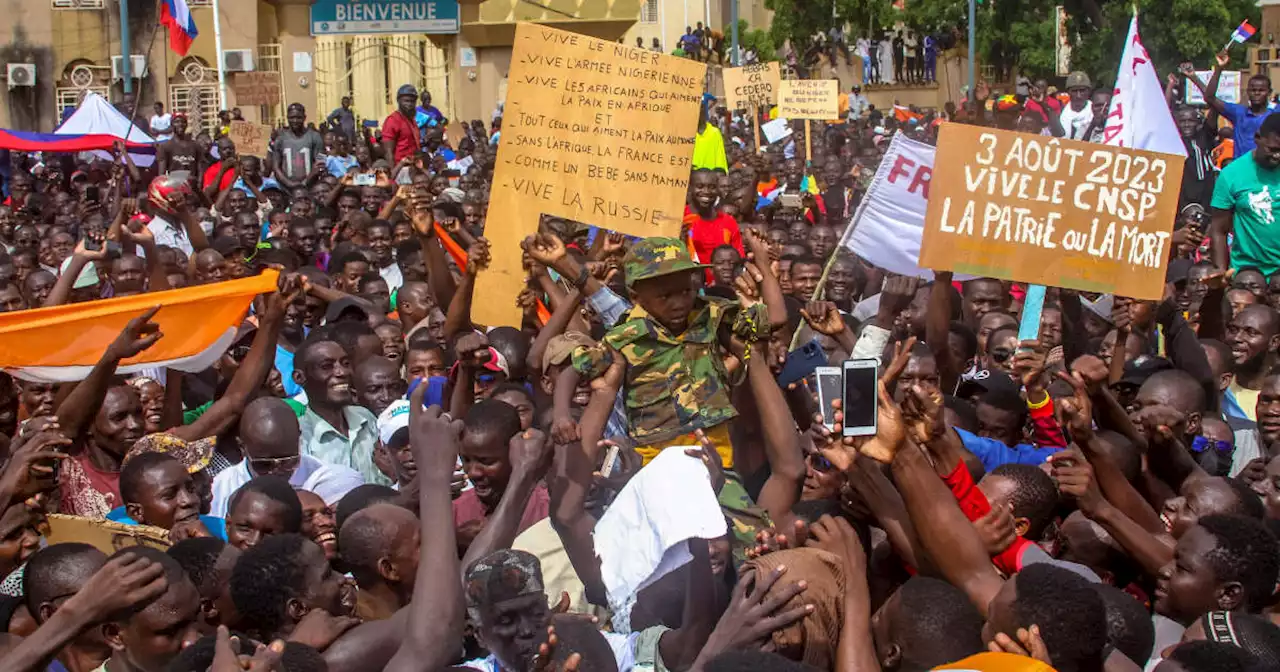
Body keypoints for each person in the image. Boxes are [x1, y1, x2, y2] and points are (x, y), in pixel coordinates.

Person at [210, 397, 364, 517]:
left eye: (288, 461)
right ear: (242, 447)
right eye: (264, 465)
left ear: (299, 439)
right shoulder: (221, 487)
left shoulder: (327, 480)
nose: (276, 471)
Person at [1211, 113, 1280, 278]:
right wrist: (1221, 270)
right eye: (1273, 149)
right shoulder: (1231, 175)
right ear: (1258, 138)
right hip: (1248, 276)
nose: (1278, 156)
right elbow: (1219, 230)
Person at [382, 85, 422, 163]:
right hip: (401, 168)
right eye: (406, 101)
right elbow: (388, 152)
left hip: (414, 166)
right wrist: (393, 173)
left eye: (412, 101)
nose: (410, 104)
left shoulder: (411, 119)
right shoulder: (393, 120)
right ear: (398, 100)